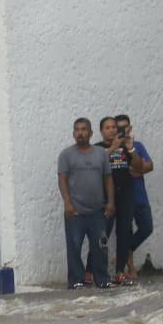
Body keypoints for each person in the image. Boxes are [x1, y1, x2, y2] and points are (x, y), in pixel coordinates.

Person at [58, 117, 115, 290]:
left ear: (90, 133)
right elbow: (62, 180)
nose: (80, 133)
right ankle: (76, 280)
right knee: (74, 247)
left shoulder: (101, 154)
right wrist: (67, 204)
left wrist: (110, 202)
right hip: (75, 211)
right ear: (73, 133)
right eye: (77, 130)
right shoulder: (66, 155)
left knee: (100, 248)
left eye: (84, 129)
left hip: (97, 211)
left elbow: (108, 179)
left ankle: (102, 279)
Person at [97, 116, 144, 286]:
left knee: (124, 234)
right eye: (107, 127)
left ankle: (119, 271)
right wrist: (113, 148)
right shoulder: (97, 148)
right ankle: (93, 271)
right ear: (101, 131)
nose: (111, 130)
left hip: (126, 195)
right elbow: (95, 164)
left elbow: (139, 167)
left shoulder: (125, 147)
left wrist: (131, 150)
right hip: (105, 198)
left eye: (113, 127)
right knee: (102, 235)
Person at [116, 113, 154, 281]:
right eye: (118, 127)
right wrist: (136, 170)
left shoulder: (137, 146)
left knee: (147, 227)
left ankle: (127, 251)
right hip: (122, 197)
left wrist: (135, 170)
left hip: (139, 196)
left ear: (130, 128)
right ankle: (129, 266)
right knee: (126, 230)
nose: (122, 130)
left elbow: (149, 166)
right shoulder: (113, 147)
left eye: (125, 127)